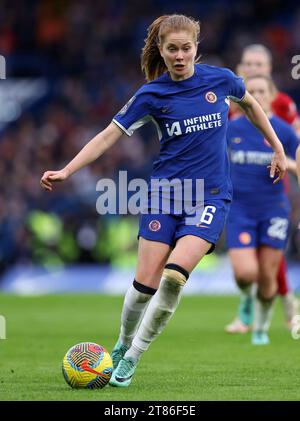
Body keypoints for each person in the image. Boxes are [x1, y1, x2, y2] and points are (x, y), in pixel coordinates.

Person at [41, 15, 287, 387]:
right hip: (164, 196)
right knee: (144, 285)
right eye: (171, 48)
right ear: (161, 50)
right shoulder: (151, 95)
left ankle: (133, 356)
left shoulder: (219, 80)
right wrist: (67, 170)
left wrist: (278, 147)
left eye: (186, 48)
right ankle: (122, 344)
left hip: (211, 197)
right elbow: (109, 135)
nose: (179, 55)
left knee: (173, 278)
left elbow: (252, 106)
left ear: (196, 48)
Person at [226, 44, 300, 334]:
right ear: (241, 69)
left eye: (259, 64)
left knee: (271, 260)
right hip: (241, 192)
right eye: (249, 64)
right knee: (251, 263)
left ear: (268, 70)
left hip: (272, 188)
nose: (254, 68)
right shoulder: (231, 103)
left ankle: (287, 305)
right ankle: (254, 304)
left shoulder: (281, 105)